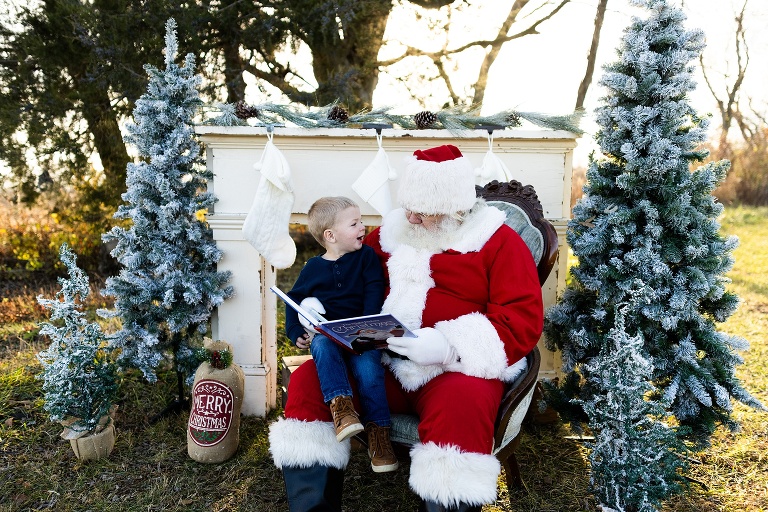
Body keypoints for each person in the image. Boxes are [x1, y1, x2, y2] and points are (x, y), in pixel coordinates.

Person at [269, 146, 543, 511]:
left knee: (462, 407)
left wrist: (448, 346)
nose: (409, 218)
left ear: (455, 209)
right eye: (408, 206)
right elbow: (343, 276)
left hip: (456, 369)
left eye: (422, 211)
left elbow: (520, 320)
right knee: (307, 383)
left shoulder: (499, 242)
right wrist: (313, 306)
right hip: (383, 361)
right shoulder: (392, 233)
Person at [283, 196, 399, 475]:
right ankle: (342, 409)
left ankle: (378, 436)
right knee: (321, 345)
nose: (363, 227)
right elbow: (294, 299)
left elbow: (374, 289)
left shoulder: (366, 258)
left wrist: (368, 326)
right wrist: (295, 331)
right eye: (355, 223)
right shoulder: (313, 268)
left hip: (364, 332)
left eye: (361, 221)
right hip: (331, 335)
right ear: (331, 235)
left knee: (369, 370)